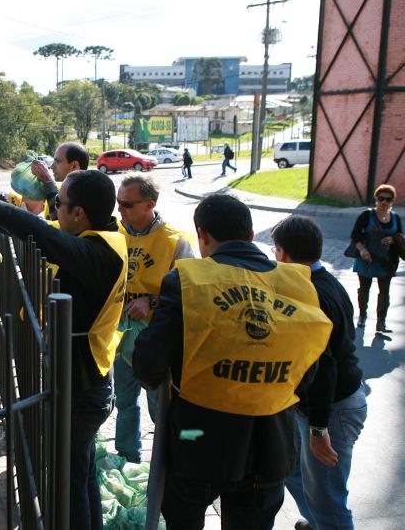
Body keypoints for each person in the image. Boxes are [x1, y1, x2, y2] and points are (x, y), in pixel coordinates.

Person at [133, 194, 333, 529]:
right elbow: (311, 367)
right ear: (251, 236)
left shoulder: (188, 280)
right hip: (270, 443)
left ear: (202, 236)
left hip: (196, 438)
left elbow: (148, 364)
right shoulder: (297, 284)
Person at [0, 170, 127, 530]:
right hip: (89, 379)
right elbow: (39, 229)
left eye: (59, 204)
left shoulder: (97, 252)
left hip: (83, 386)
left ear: (79, 213)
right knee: (81, 472)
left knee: (70, 483)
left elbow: (44, 236)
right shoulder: (105, 236)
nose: (53, 208)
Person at [274, 215, 366, 530]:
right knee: (292, 469)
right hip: (325, 404)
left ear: (283, 253)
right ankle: (317, 523)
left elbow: (323, 367)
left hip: (332, 408)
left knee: (329, 502)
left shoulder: (310, 293)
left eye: (275, 252)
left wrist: (318, 428)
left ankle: (324, 523)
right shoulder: (324, 281)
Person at [113, 174, 194, 463]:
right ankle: (127, 459)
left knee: (160, 408)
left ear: (149, 204)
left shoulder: (175, 241)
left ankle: (166, 466)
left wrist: (152, 302)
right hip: (121, 337)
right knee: (124, 403)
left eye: (127, 204)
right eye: (118, 202)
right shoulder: (114, 233)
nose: (120, 209)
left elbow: (190, 293)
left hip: (157, 342)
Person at [350, 183, 400, 332]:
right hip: (367, 259)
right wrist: (362, 250)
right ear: (376, 199)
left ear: (392, 201)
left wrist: (393, 239)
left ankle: (381, 322)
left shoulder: (395, 217)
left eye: (388, 199)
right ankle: (362, 315)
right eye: (381, 198)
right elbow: (355, 235)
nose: (384, 202)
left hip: (386, 261)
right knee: (364, 289)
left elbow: (400, 235)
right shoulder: (366, 215)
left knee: (384, 292)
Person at [30, 141, 89, 220]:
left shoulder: (86, 195)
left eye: (57, 161)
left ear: (74, 165)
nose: (51, 166)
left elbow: (60, 220)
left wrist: (48, 181)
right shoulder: (68, 189)